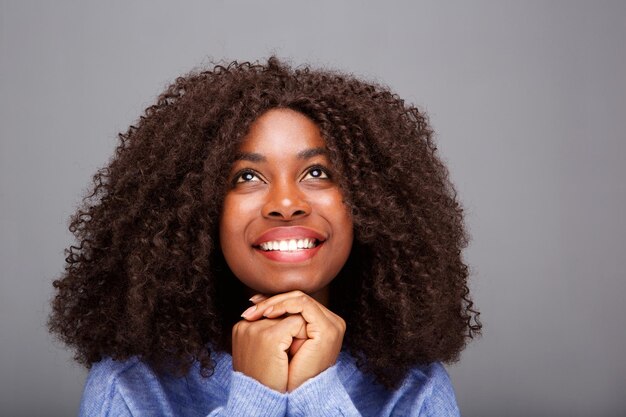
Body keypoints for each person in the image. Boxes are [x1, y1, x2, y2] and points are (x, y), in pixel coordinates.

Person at [48, 57, 481, 416]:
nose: (286, 203)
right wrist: (254, 396)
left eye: (317, 172)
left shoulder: (415, 388)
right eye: (248, 176)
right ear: (200, 209)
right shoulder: (130, 388)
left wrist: (319, 392)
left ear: (369, 203)